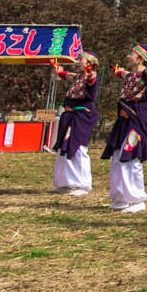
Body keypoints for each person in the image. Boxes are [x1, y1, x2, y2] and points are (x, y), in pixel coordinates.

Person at [101, 42, 147, 213]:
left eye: (132, 54)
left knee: (130, 158)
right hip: (123, 122)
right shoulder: (130, 75)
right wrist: (117, 71)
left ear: (140, 59)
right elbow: (122, 73)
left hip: (137, 122)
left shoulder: (146, 74)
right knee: (117, 157)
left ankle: (137, 199)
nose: (128, 56)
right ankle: (121, 197)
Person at [48, 51, 99, 195]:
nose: (77, 61)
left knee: (78, 148)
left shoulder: (91, 76)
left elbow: (91, 78)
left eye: (81, 59)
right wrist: (56, 64)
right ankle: (65, 183)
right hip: (69, 115)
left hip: (81, 116)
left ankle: (83, 185)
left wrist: (89, 69)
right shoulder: (77, 77)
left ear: (89, 64)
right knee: (64, 148)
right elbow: (64, 74)